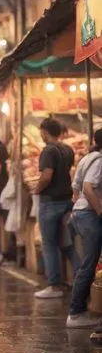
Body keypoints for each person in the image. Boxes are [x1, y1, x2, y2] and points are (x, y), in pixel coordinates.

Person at [34, 118, 80, 299]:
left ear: (45, 131)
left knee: (50, 245)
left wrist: (37, 190)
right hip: (66, 201)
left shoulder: (48, 151)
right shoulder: (68, 149)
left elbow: (46, 176)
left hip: (50, 202)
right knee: (67, 244)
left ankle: (54, 286)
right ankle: (81, 280)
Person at [67, 129, 102, 328]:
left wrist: (77, 206)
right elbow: (88, 187)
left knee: (89, 262)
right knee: (89, 263)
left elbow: (76, 188)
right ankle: (76, 311)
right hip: (89, 214)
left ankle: (79, 310)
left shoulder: (87, 158)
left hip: (81, 213)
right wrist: (99, 211)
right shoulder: (99, 160)